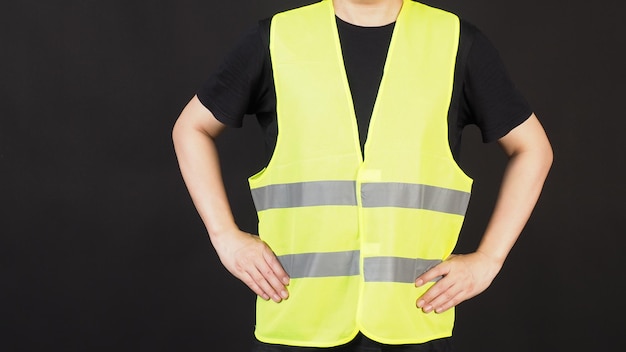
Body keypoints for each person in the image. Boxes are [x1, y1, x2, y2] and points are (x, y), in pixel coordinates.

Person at [172, 0, 553, 350]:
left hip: (412, 320)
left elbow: (533, 148)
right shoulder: (276, 38)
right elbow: (191, 128)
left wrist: (489, 259)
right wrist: (225, 237)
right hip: (297, 320)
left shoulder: (454, 41)